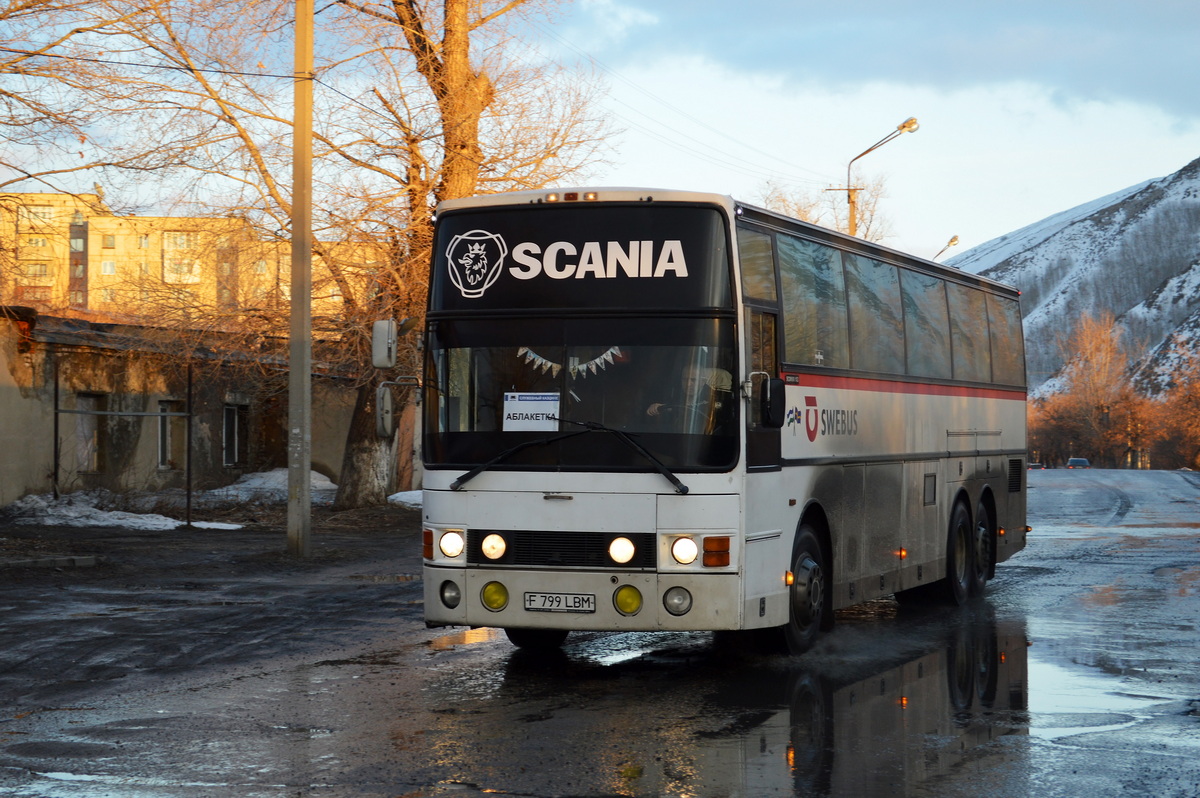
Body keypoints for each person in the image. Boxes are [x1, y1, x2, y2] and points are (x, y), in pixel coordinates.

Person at [646, 366, 733, 434]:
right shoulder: (674, 396)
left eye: (693, 380)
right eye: (685, 379)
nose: (688, 384)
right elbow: (667, 408)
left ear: (702, 382)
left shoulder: (714, 400)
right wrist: (656, 407)